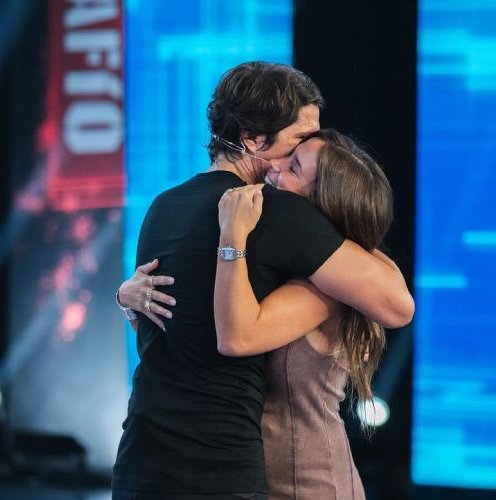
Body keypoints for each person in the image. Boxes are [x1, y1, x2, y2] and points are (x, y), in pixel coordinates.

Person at [112, 62, 413, 498]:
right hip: (220, 468)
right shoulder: (276, 211)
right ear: (253, 139)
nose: (310, 145)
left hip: (140, 460)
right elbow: (395, 303)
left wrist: (123, 296)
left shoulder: (163, 206)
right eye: (299, 139)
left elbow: (158, 325)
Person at [213, 129, 395, 499]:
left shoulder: (322, 291)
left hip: (307, 485)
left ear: (321, 206)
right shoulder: (291, 268)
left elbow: (236, 336)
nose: (273, 166)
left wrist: (232, 238)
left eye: (293, 167)